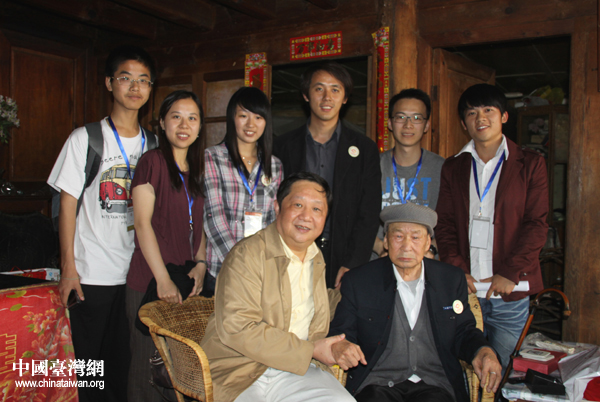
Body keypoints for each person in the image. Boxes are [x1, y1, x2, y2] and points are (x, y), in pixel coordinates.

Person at [47, 45, 156, 401]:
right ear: (109, 83)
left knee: (124, 364)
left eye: (144, 80)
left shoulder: (155, 144)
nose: (135, 87)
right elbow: (67, 205)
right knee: (89, 366)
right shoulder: (86, 138)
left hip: (136, 276)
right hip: (92, 273)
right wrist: (69, 269)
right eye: (126, 78)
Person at [200, 172, 355, 402]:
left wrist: (358, 292)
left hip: (297, 369)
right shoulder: (248, 254)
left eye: (317, 209)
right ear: (277, 207)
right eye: (298, 205)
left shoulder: (315, 257)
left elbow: (317, 302)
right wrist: (311, 350)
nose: (306, 216)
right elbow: (239, 328)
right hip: (240, 369)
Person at [329, 203, 502, 402]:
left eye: (416, 237)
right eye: (398, 236)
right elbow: (342, 331)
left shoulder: (450, 280)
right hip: (377, 384)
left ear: (428, 243)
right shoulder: (360, 280)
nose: (406, 246)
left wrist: (483, 351)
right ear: (386, 241)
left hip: (436, 385)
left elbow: (464, 331)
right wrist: (341, 345)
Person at [435, 83, 549, 372]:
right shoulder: (453, 167)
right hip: (467, 290)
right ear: (464, 123)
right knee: (465, 369)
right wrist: (457, 270)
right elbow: (444, 224)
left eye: (488, 110)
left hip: (510, 291)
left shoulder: (530, 164)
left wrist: (510, 271)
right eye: (472, 113)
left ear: (504, 117)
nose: (481, 118)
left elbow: (536, 224)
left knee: (507, 372)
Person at [126, 90, 207, 401]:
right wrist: (162, 279)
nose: (184, 125)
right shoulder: (152, 162)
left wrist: (201, 263)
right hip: (150, 282)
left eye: (192, 118)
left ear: (200, 127)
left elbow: (198, 224)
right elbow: (142, 224)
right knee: (145, 372)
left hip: (182, 280)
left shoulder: (196, 168)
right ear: (162, 122)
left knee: (175, 371)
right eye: (176, 117)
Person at [274, 62, 381, 289]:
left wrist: (354, 262)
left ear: (345, 98)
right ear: (306, 95)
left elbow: (369, 212)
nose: (327, 97)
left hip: (343, 254)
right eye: (319, 89)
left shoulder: (365, 149)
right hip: (292, 250)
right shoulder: (282, 146)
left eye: (335, 89)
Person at [203, 86, 283, 292]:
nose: (250, 124)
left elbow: (274, 220)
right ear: (232, 118)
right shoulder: (212, 157)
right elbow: (213, 217)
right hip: (222, 269)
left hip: (261, 272)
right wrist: (241, 265)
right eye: (243, 116)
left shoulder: (274, 165)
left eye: (258, 117)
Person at [374, 88, 445, 258]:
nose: (408, 125)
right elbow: (357, 218)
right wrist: (381, 249)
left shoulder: (443, 168)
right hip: (379, 261)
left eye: (416, 118)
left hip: (426, 263)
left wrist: (431, 249)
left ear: (426, 125)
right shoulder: (372, 166)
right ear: (390, 123)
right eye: (401, 117)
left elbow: (452, 223)